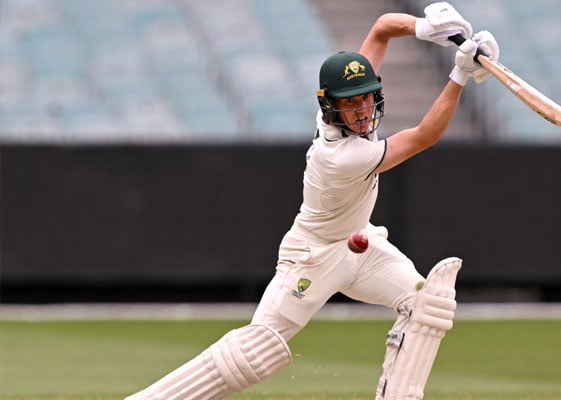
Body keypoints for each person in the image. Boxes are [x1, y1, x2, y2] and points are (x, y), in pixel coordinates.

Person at [125, 2, 499, 400]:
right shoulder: (341, 156)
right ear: (330, 108)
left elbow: (380, 28)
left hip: (361, 246)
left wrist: (425, 28)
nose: (360, 111)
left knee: (427, 304)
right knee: (256, 349)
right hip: (313, 257)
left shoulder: (349, 116)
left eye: (365, 98)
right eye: (350, 104)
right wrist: (459, 74)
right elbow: (424, 136)